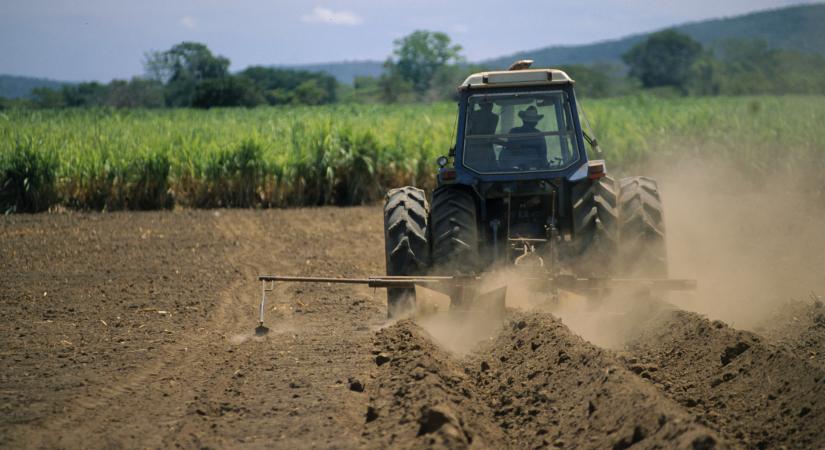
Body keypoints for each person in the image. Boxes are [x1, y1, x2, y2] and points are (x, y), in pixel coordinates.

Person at [465, 102, 499, 171]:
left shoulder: (494, 117)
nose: (489, 106)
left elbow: (490, 137)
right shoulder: (472, 116)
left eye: (490, 104)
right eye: (487, 104)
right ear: (480, 105)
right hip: (474, 152)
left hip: (487, 150)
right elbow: (489, 137)